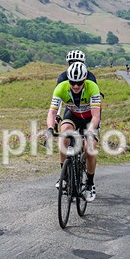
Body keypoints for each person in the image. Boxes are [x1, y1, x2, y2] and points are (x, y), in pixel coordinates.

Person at [46, 62, 102, 202]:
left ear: (84, 80)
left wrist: (89, 132)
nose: (76, 86)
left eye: (79, 82)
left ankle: (89, 183)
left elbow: (96, 116)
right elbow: (52, 112)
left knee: (89, 149)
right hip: (73, 116)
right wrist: (50, 129)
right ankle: (64, 177)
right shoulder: (61, 88)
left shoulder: (92, 87)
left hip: (89, 119)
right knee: (63, 137)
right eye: (72, 82)